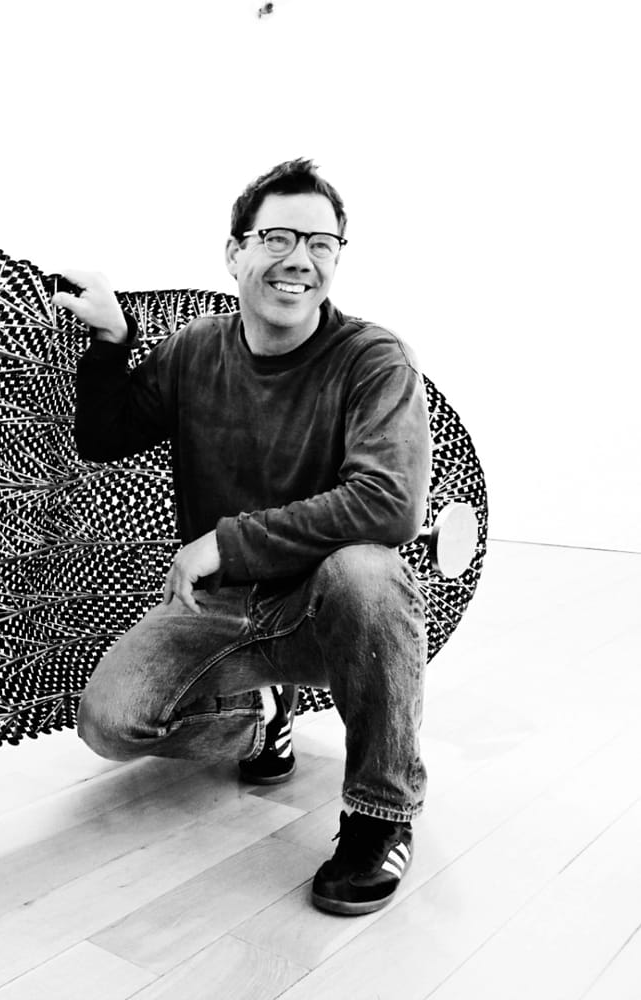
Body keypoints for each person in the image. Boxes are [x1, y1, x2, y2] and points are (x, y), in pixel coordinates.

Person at [52, 158, 431, 915]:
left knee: (367, 570)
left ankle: (379, 816)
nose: (300, 260)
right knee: (111, 721)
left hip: (322, 607)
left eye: (323, 243)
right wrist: (111, 340)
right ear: (235, 253)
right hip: (222, 612)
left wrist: (226, 541)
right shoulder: (196, 349)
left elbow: (387, 505)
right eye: (279, 237)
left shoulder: (373, 359)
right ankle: (261, 718)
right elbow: (105, 436)